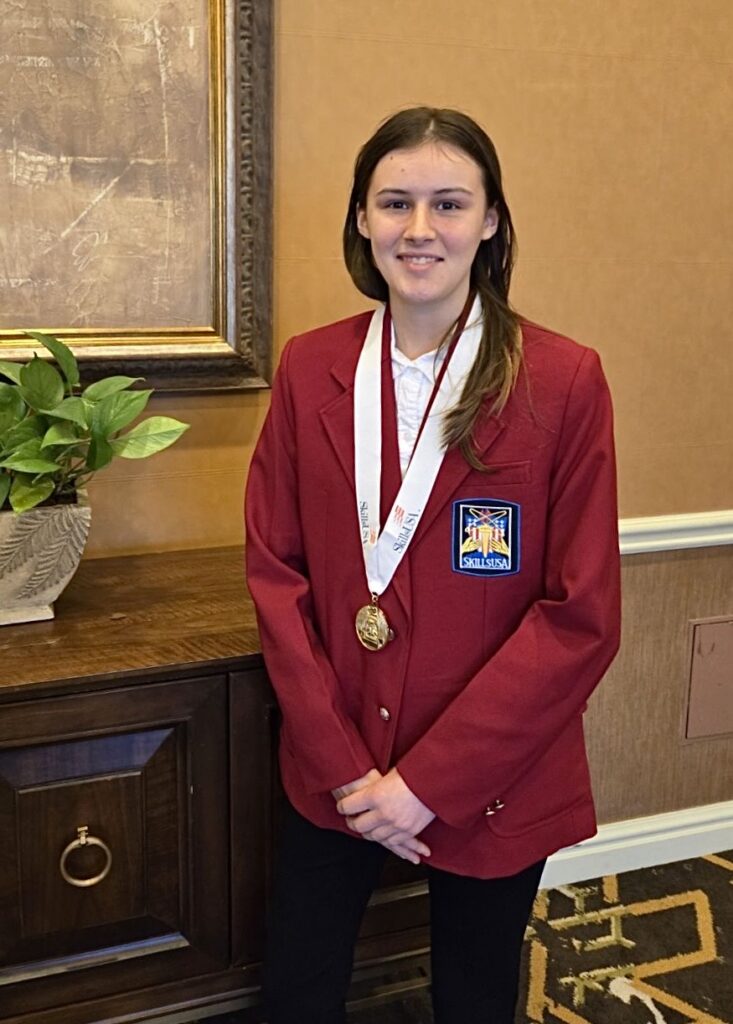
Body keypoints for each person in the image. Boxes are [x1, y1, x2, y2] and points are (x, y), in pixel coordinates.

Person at [245, 106, 621, 1024]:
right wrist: (345, 769)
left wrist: (422, 788)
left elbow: (578, 617)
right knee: (296, 986)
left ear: (490, 221)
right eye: (394, 203)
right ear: (362, 220)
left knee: (475, 997)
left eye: (448, 203)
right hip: (334, 764)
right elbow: (274, 570)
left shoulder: (563, 381)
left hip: (492, 776)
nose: (420, 230)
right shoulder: (308, 368)